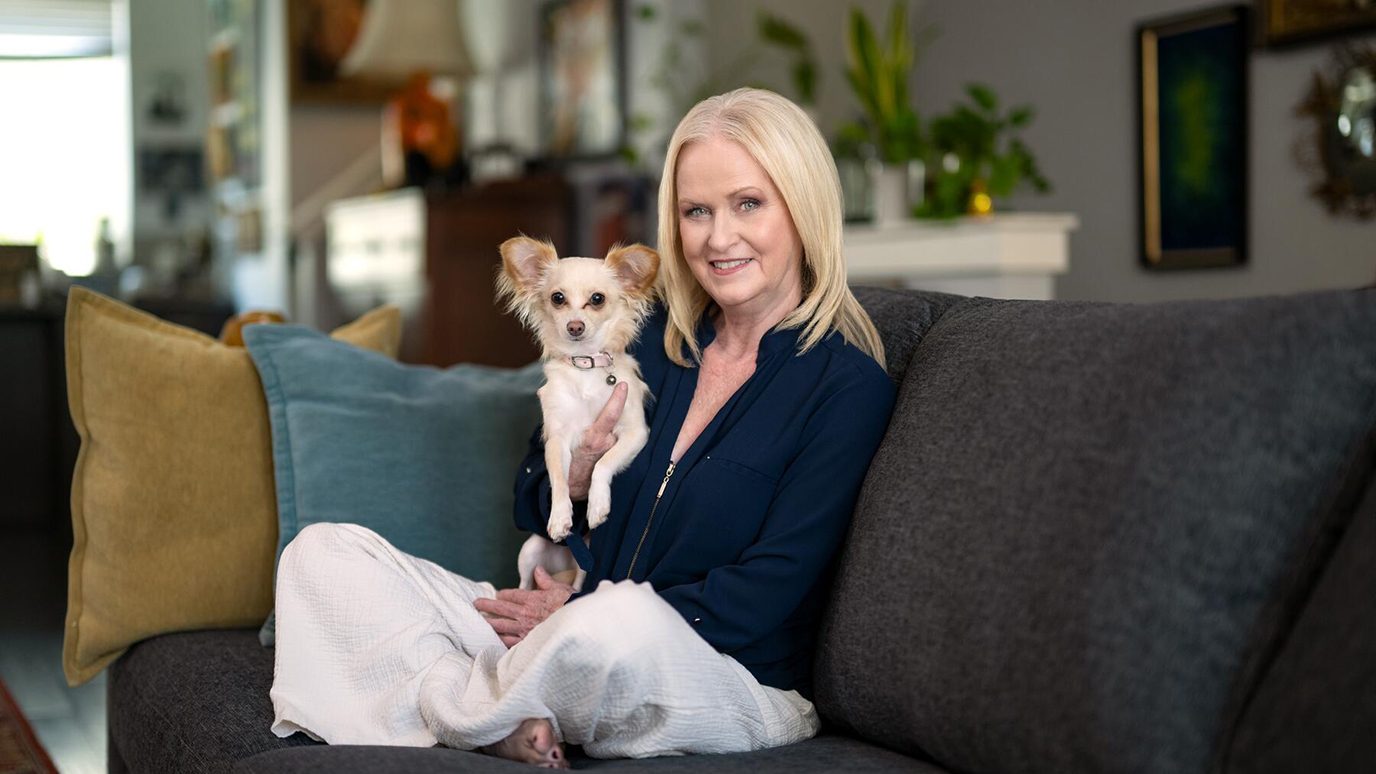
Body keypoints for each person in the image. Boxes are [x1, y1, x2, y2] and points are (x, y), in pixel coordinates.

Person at [268, 88, 896, 769]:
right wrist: (574, 471)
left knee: (613, 626)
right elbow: (534, 500)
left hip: (722, 675)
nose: (719, 237)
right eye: (696, 211)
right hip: (570, 632)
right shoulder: (647, 339)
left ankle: (454, 706)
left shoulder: (845, 386)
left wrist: (580, 609)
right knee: (321, 557)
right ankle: (502, 714)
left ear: (802, 206)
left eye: (749, 203)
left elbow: (769, 588)